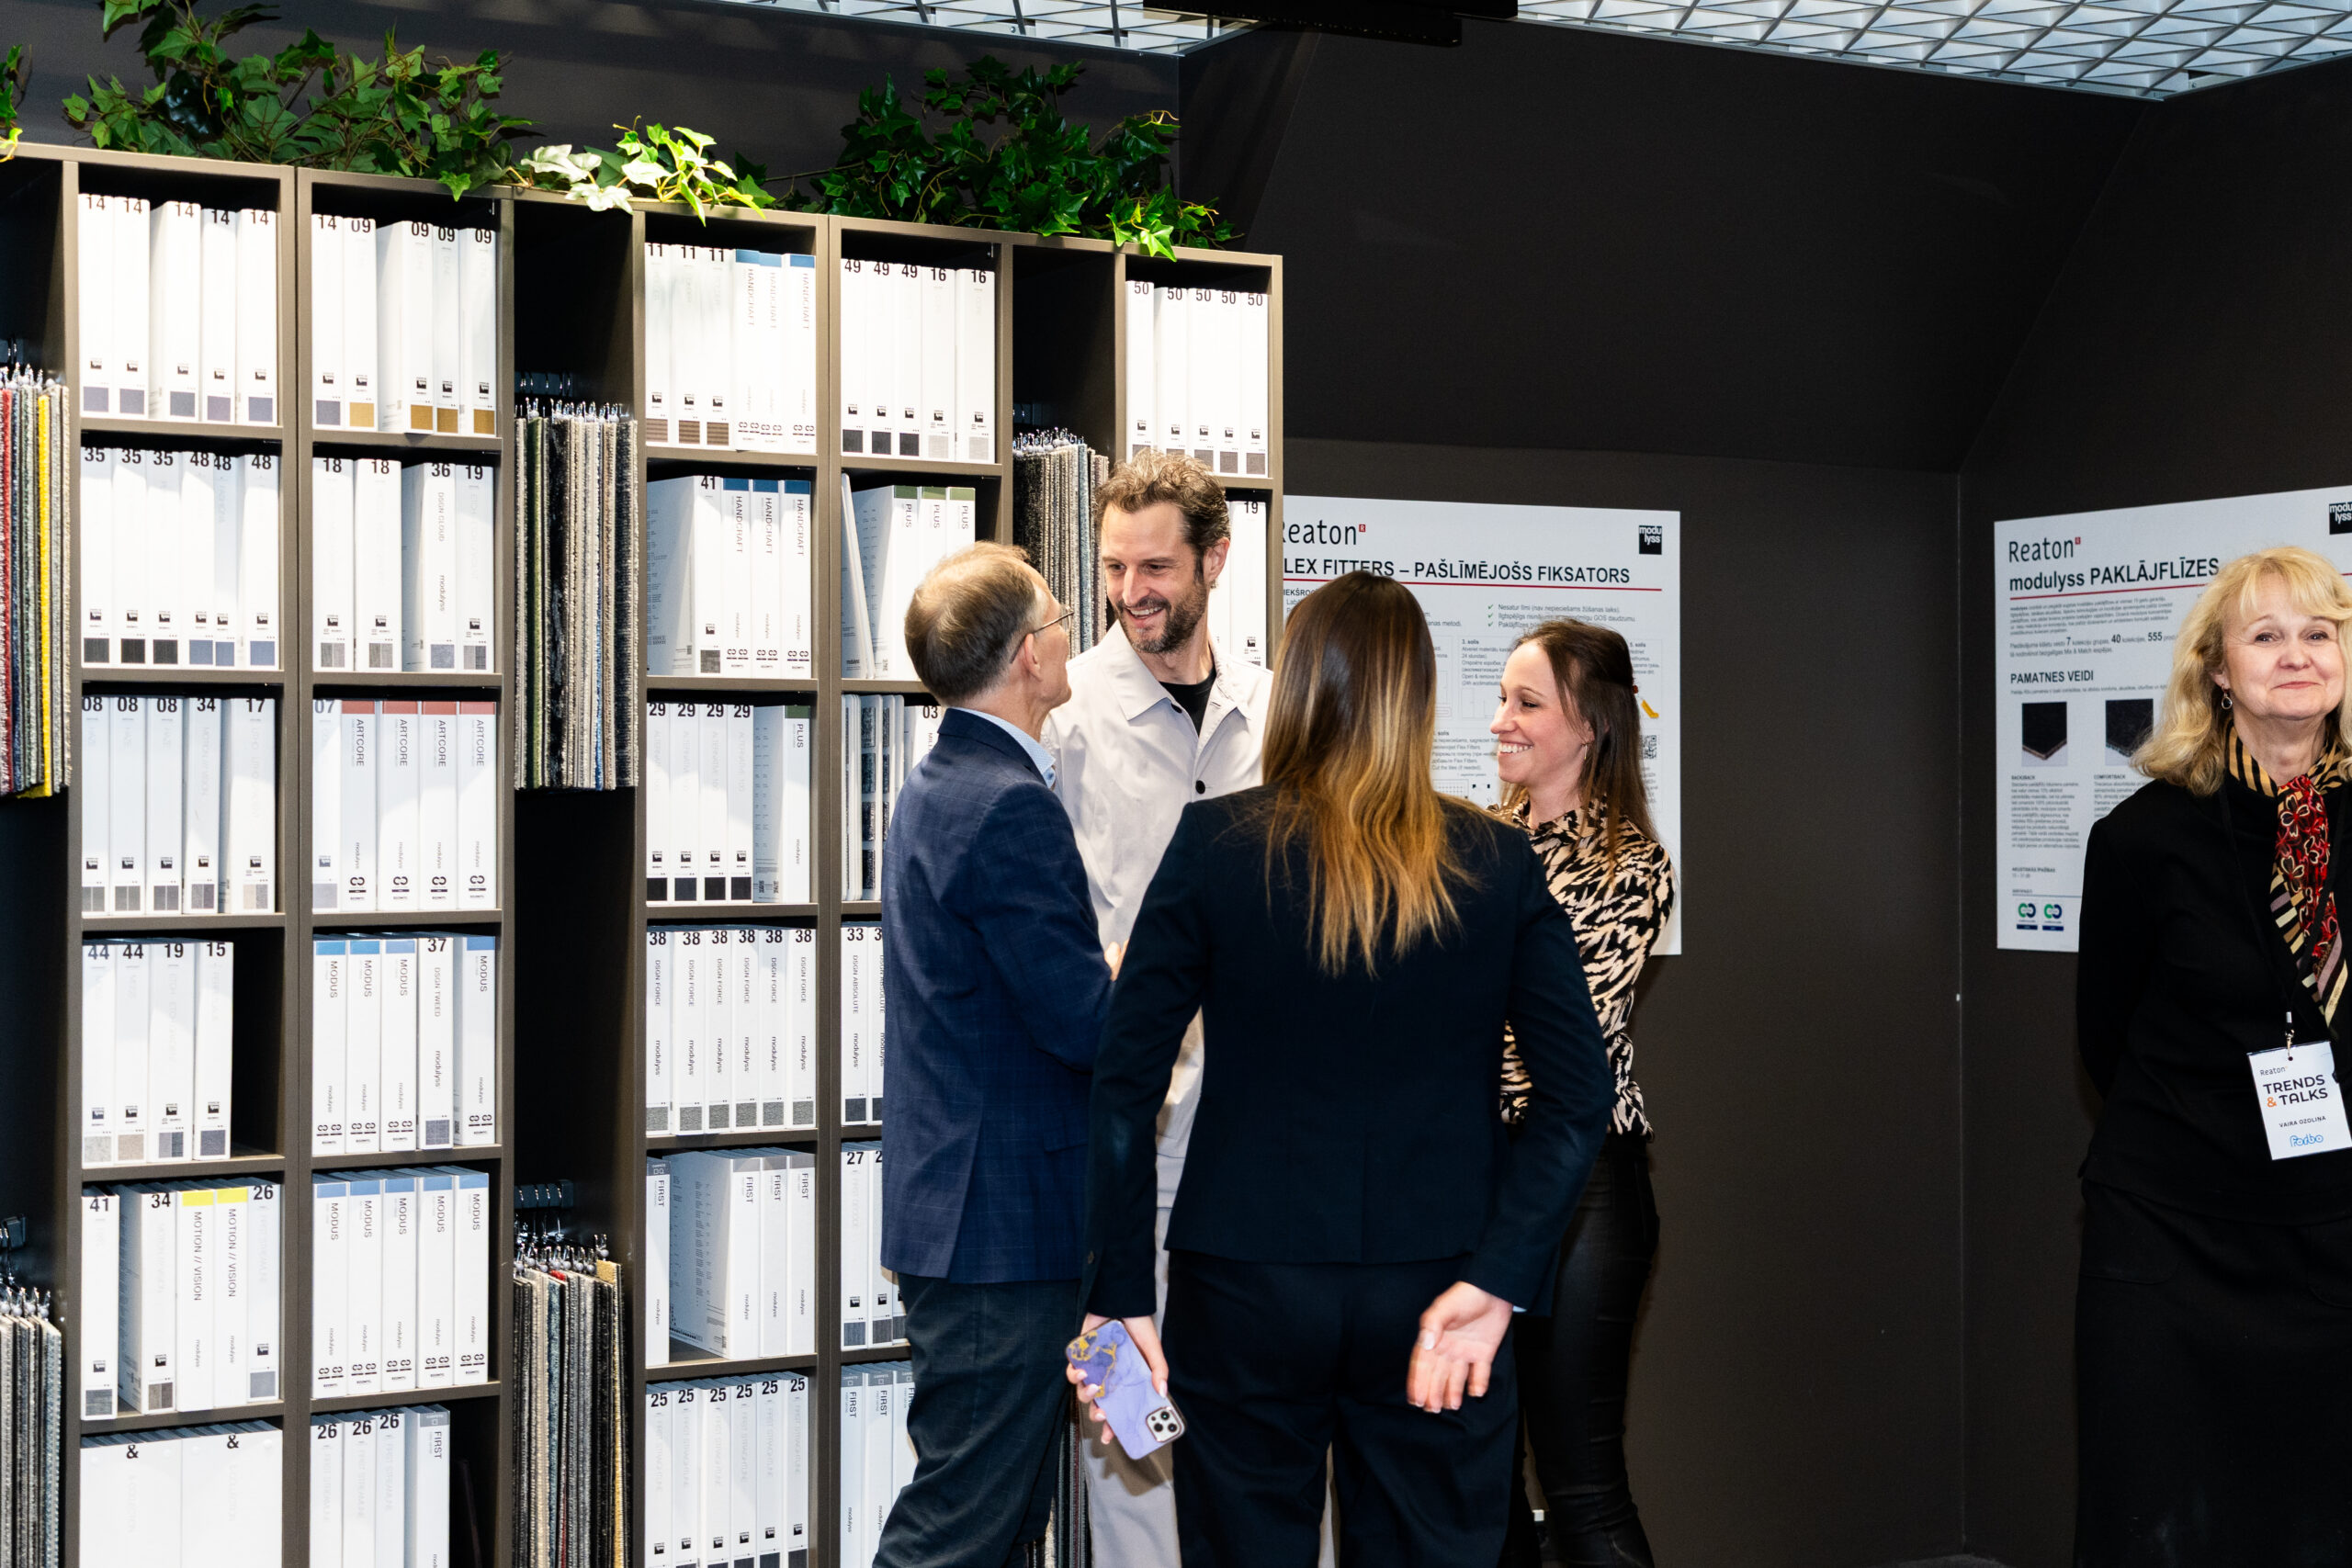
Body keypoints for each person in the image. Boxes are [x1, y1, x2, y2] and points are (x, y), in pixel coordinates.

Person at [1078, 570, 1618, 1567]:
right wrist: (1499, 1279)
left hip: (1243, 1289)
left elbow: (1121, 1087)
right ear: (1419, 698)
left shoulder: (1214, 846)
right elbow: (1580, 1095)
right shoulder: (1497, 863)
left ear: (1298, 688)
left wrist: (1117, 1296)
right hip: (1438, 1288)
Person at [2075, 545, 2352, 1565]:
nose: (2296, 655)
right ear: (2218, 671)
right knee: (2161, 1515)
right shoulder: (2145, 837)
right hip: (2171, 1236)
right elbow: (2103, 1032)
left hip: (2334, 1231)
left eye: (2318, 633)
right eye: (2265, 636)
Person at [1041, 450, 1274, 1566]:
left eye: (1156, 568)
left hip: (1264, 1139)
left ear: (1214, 561)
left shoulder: (1275, 709)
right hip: (1130, 1138)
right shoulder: (1065, 715)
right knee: (1132, 1429)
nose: (1132, 591)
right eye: (1114, 567)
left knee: (1266, 1423)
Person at [876, 542, 1113, 1568]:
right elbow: (1085, 1023)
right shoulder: (1009, 802)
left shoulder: (941, 781)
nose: (1071, 634)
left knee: (999, 1524)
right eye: (1059, 617)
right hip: (1002, 1238)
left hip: (973, 1224)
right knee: (958, 1530)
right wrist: (1154, 968)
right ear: (1027, 654)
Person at [1486, 621, 1675, 1568]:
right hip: (1479, 1179)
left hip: (1584, 1186)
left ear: (1590, 725)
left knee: (1583, 1488)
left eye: (1527, 703)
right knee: (1483, 1488)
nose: (1500, 721)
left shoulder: (1631, 865)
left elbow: (1560, 1051)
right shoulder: (1476, 843)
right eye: (1502, 698)